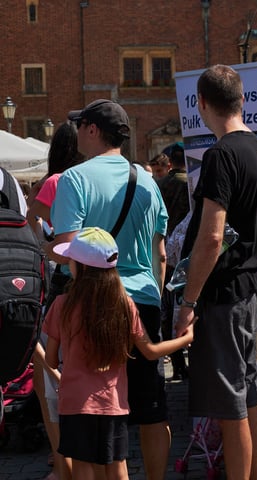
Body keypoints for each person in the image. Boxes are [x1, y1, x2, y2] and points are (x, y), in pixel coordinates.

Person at [48, 99, 171, 480]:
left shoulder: (74, 179)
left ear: (92, 130)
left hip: (93, 301)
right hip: (143, 299)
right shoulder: (148, 180)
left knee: (98, 405)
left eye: (79, 126)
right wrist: (152, 298)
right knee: (151, 409)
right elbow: (160, 252)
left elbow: (67, 247)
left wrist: (46, 249)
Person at [174, 64, 257, 480]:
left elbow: (211, 237)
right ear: (242, 100)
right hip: (251, 290)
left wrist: (188, 301)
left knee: (231, 407)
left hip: (225, 297)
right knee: (248, 398)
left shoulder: (221, 155)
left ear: (201, 103)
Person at [44, 227, 193, 480]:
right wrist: (186, 338)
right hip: (113, 404)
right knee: (117, 466)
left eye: (71, 259)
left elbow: (50, 359)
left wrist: (63, 370)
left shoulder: (62, 305)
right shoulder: (124, 304)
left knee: (82, 466)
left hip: (74, 404)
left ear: (82, 267)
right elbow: (151, 352)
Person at [26, 120, 84, 480]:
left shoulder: (54, 182)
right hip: (92, 283)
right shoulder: (88, 179)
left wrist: (46, 244)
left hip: (59, 286)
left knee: (48, 376)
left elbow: (31, 227)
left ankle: (63, 462)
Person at [157, 142, 190, 381]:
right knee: (189, 305)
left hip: (165, 254)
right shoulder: (192, 184)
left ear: (170, 162)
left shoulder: (160, 185)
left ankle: (176, 361)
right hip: (188, 252)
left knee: (167, 310)